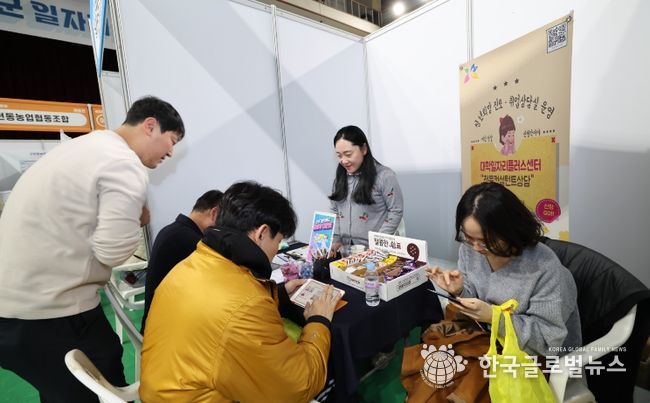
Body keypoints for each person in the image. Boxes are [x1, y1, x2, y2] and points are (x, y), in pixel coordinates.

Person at [0, 96, 185, 402]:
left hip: (16, 309)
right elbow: (112, 252)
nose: (171, 152)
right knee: (100, 389)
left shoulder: (83, 146)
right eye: (172, 140)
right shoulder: (123, 163)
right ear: (150, 126)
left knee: (61, 389)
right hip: (49, 313)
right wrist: (138, 218)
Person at [140, 181, 341, 402]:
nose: (276, 250)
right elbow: (299, 385)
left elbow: (224, 310)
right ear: (262, 233)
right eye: (278, 241)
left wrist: (280, 295)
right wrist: (319, 321)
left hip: (164, 390)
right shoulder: (247, 306)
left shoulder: (190, 264)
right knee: (330, 382)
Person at [427, 182, 581, 357]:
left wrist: (495, 318)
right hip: (488, 341)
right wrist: (459, 291)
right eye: (469, 237)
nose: (476, 247)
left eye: (486, 241)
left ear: (510, 230)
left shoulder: (544, 268)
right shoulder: (469, 250)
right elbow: (476, 303)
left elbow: (547, 342)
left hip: (534, 359)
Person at [141, 189, 223, 330]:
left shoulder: (172, 230)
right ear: (214, 213)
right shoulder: (191, 241)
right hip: (164, 328)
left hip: (154, 320)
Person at [328, 125, 404, 253]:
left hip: (374, 252)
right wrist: (335, 239)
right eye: (339, 156)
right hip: (345, 252)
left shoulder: (384, 176)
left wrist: (378, 243)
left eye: (348, 154)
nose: (344, 161)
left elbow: (395, 211)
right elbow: (334, 209)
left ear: (363, 149)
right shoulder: (340, 178)